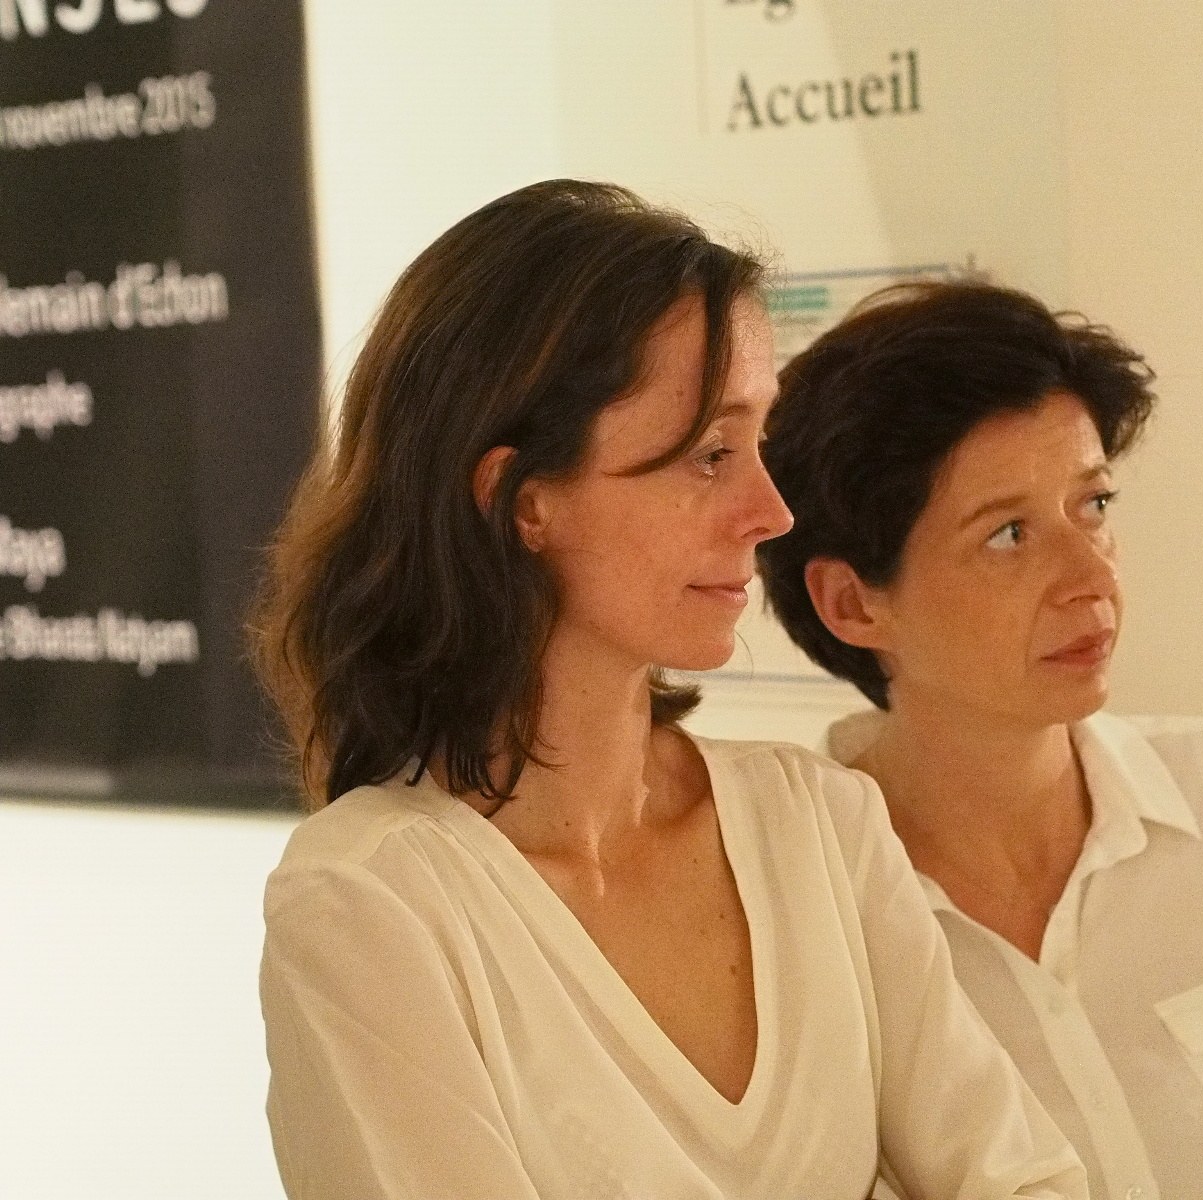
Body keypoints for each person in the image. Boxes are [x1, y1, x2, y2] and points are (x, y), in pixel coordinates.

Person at [249, 183, 1087, 1200]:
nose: (770, 512)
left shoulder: (819, 824)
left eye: (760, 446)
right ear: (520, 500)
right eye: (710, 455)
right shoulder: (372, 902)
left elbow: (1029, 1182)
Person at [756, 280, 1203, 1200]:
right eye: (1008, 534)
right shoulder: (802, 905)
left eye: (1095, 505)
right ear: (852, 602)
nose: (1089, 576)